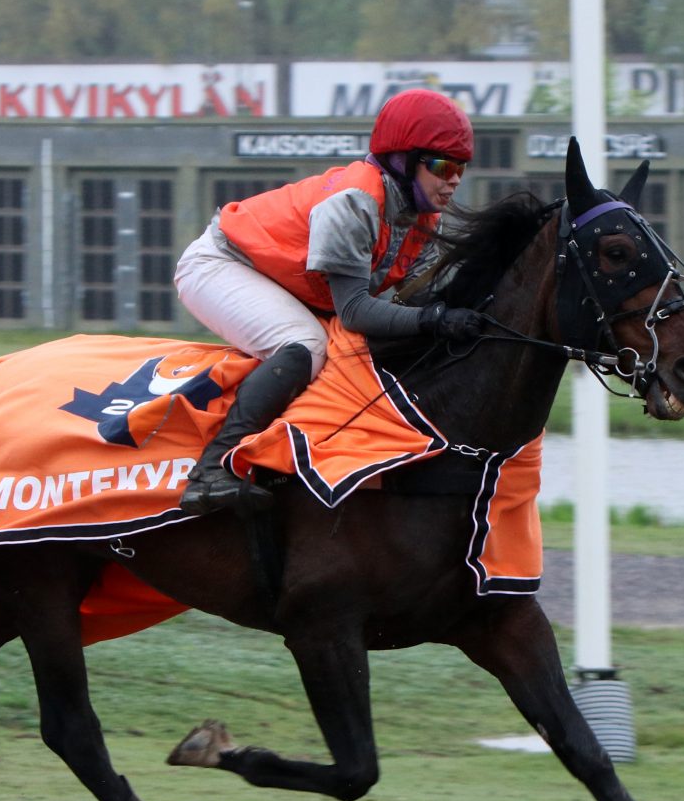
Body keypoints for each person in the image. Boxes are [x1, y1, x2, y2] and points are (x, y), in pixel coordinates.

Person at [173, 88, 483, 515]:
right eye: (442, 165)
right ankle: (210, 472)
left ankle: (285, 463)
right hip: (220, 264)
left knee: (356, 357)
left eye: (461, 168)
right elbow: (355, 312)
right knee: (307, 346)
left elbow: (418, 303)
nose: (453, 179)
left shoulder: (425, 218)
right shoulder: (355, 200)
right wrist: (435, 319)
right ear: (402, 159)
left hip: (280, 283)